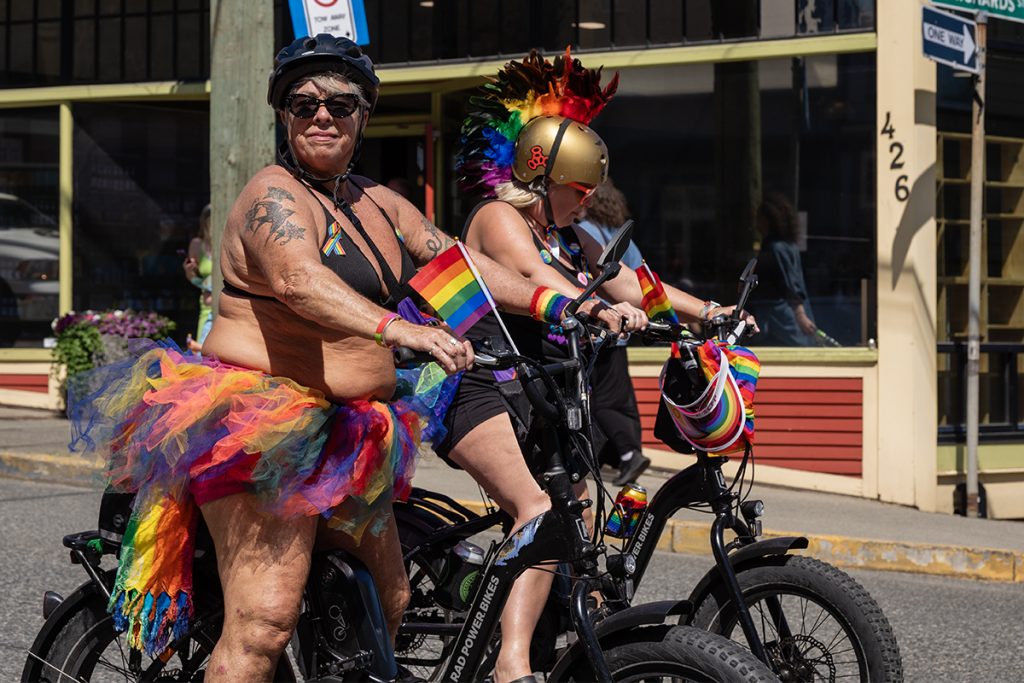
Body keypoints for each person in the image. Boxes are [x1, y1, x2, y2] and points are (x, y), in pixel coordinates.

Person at [66, 35, 594, 682]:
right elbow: (298, 280)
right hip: (259, 428)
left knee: (387, 603)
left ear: (363, 115)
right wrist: (400, 329)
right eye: (303, 102)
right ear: (283, 117)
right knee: (263, 624)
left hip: (348, 429)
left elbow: (459, 264)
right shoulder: (272, 195)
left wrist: (563, 304)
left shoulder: (378, 203)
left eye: (341, 103)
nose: (322, 114)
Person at [445, 49, 754, 683]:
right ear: (541, 176)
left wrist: (708, 313)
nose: (587, 202)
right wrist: (589, 309)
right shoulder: (500, 219)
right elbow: (535, 279)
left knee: (578, 514)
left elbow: (640, 287)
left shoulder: (573, 232)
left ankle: (570, 633)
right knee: (540, 512)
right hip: (476, 383)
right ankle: (510, 666)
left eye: (589, 192)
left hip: (545, 391)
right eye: (577, 189)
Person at [574, 178, 650, 485]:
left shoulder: (583, 234)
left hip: (597, 330)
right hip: (624, 330)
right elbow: (641, 276)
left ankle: (627, 454)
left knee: (600, 398)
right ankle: (624, 454)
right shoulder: (624, 240)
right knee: (620, 397)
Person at [749, 191, 817, 346]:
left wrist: (800, 315)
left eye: (759, 218)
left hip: (781, 316)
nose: (756, 223)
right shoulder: (787, 246)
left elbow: (791, 282)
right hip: (776, 317)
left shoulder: (777, 248)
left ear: (767, 220)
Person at [182, 203, 213, 353]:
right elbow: (193, 278)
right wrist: (190, 272)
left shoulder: (228, 240)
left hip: (230, 304)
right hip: (208, 305)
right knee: (203, 354)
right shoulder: (197, 244)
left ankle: (195, 346)